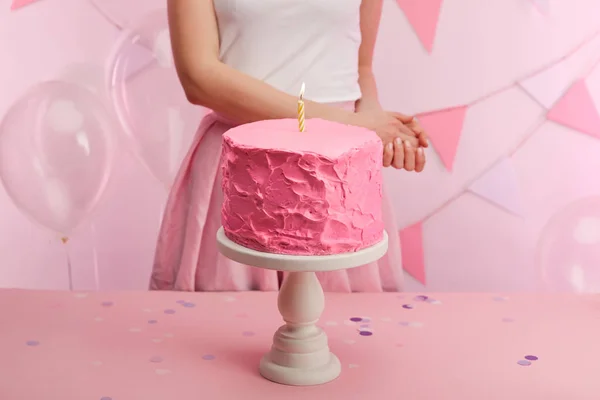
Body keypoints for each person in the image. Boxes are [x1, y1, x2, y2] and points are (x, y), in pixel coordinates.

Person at [150, 0, 429, 292]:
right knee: (225, 326)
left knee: (336, 323)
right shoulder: (345, 124)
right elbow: (199, 77)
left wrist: (378, 128)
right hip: (241, 167)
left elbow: (361, 69)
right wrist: (348, 125)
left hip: (338, 172)